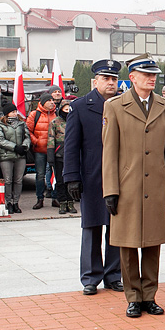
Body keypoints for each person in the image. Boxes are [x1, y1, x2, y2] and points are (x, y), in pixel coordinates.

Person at [102, 54, 165, 317]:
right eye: (146, 74)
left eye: (154, 74)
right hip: (127, 185)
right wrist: (110, 190)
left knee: (152, 243)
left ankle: (150, 295)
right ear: (132, 77)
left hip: (156, 185)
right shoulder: (115, 106)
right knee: (127, 244)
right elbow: (109, 152)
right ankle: (133, 297)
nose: (152, 78)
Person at [64, 59, 124, 296]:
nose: (111, 83)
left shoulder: (122, 105)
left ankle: (114, 275)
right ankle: (90, 277)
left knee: (116, 226)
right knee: (91, 226)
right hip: (91, 175)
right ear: (95, 81)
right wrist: (71, 177)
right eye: (106, 79)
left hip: (119, 175)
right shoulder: (80, 106)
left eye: (114, 79)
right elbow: (71, 145)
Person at [26, 94, 58, 209]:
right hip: (39, 150)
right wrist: (36, 141)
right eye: (49, 100)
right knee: (40, 175)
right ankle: (40, 199)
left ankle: (55, 198)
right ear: (43, 102)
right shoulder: (35, 114)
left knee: (55, 175)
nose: (52, 102)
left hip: (54, 150)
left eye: (52, 100)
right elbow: (28, 130)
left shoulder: (56, 114)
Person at [0, 107, 29, 214]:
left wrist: (24, 146)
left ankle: (16, 202)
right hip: (6, 155)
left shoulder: (21, 123)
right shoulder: (0, 124)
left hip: (20, 155)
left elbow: (27, 136)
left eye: (15, 111)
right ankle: (8, 202)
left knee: (18, 180)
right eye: (12, 112)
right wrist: (14, 147)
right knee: (8, 180)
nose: (15, 113)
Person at [46, 99, 75, 214]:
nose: (67, 111)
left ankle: (71, 202)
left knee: (71, 179)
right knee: (60, 180)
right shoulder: (55, 122)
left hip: (72, 155)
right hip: (59, 155)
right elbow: (50, 139)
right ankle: (62, 202)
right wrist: (50, 155)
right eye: (65, 109)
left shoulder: (74, 120)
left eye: (69, 109)